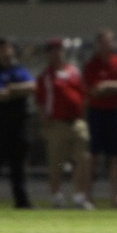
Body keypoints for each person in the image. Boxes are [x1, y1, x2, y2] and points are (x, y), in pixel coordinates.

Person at [35, 38, 94, 210]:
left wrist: (82, 116)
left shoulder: (73, 72)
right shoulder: (46, 76)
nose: (56, 54)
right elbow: (40, 100)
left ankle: (79, 195)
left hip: (76, 122)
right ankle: (57, 195)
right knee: (56, 161)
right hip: (57, 123)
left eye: (58, 50)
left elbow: (83, 95)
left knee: (83, 159)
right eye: (53, 51)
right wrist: (44, 119)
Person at [0, 38, 35, 209]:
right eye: (1, 50)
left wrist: (11, 89)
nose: (5, 53)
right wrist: (18, 90)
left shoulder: (21, 71)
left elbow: (33, 87)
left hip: (19, 126)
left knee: (18, 167)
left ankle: (22, 202)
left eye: (7, 49)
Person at [83, 28, 117, 207]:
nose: (107, 45)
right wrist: (112, 88)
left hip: (114, 112)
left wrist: (107, 85)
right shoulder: (92, 65)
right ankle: (88, 196)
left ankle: (115, 196)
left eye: (110, 41)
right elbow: (93, 91)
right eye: (103, 41)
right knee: (92, 156)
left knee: (115, 156)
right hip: (96, 113)